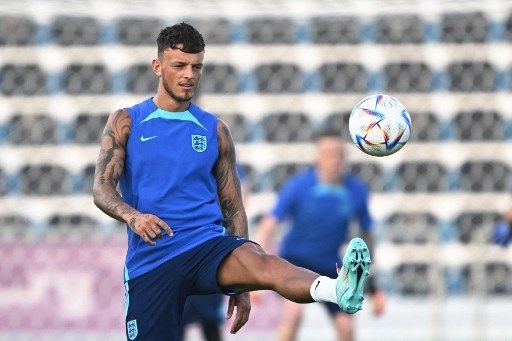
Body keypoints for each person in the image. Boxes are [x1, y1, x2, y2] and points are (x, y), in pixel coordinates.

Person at [92, 22, 371, 341]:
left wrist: (241, 287)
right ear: (157, 67)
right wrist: (132, 215)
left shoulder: (214, 130)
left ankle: (338, 288)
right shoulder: (127, 121)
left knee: (263, 264)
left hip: (206, 245)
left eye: (196, 67)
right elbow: (101, 188)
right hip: (153, 259)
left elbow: (233, 207)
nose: (189, 75)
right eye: (179, 65)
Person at [255, 129, 386, 341]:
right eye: (327, 153)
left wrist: (373, 284)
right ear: (317, 156)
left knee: (346, 328)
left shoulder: (356, 191)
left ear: (344, 156)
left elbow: (367, 236)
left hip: (330, 265)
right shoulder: (299, 186)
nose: (333, 159)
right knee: (292, 314)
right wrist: (256, 275)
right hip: (294, 262)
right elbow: (268, 226)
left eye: (337, 153)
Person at [180, 165, 249, 341]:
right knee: (178, 320)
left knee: (209, 321)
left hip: (209, 249)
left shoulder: (220, 155)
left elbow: (238, 202)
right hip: (180, 248)